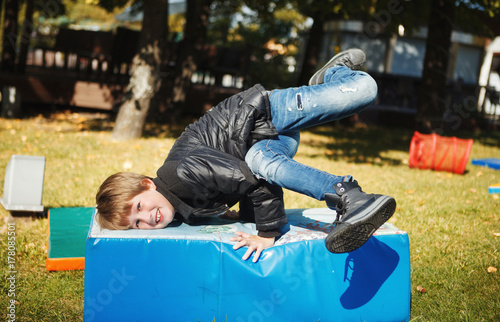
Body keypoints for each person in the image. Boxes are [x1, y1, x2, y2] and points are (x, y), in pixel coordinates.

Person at [95, 49, 396, 262]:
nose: (147, 218)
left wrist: (267, 233)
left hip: (264, 113)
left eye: (139, 207)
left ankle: (333, 73)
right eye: (136, 223)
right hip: (264, 145)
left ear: (147, 185)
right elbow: (240, 183)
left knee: (363, 91)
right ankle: (350, 198)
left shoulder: (182, 174)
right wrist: (245, 219)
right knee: (262, 162)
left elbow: (248, 181)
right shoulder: (182, 209)